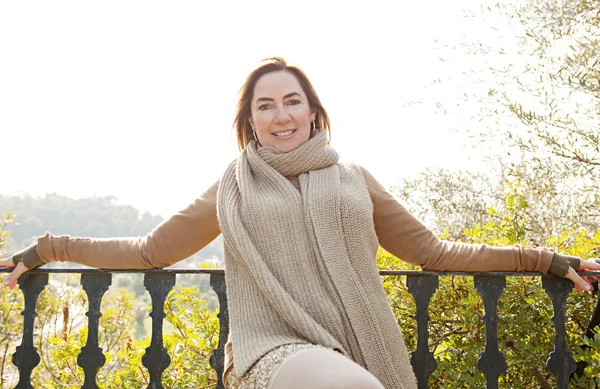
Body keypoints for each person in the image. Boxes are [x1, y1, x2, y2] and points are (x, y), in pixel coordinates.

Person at [1, 57, 599, 389]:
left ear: (313, 112)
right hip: (271, 349)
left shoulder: (353, 178)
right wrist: (49, 247)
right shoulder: (232, 185)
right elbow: (153, 251)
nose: (281, 114)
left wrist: (544, 259)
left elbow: (433, 251)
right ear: (251, 121)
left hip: (357, 343)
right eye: (266, 105)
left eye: (292, 101)